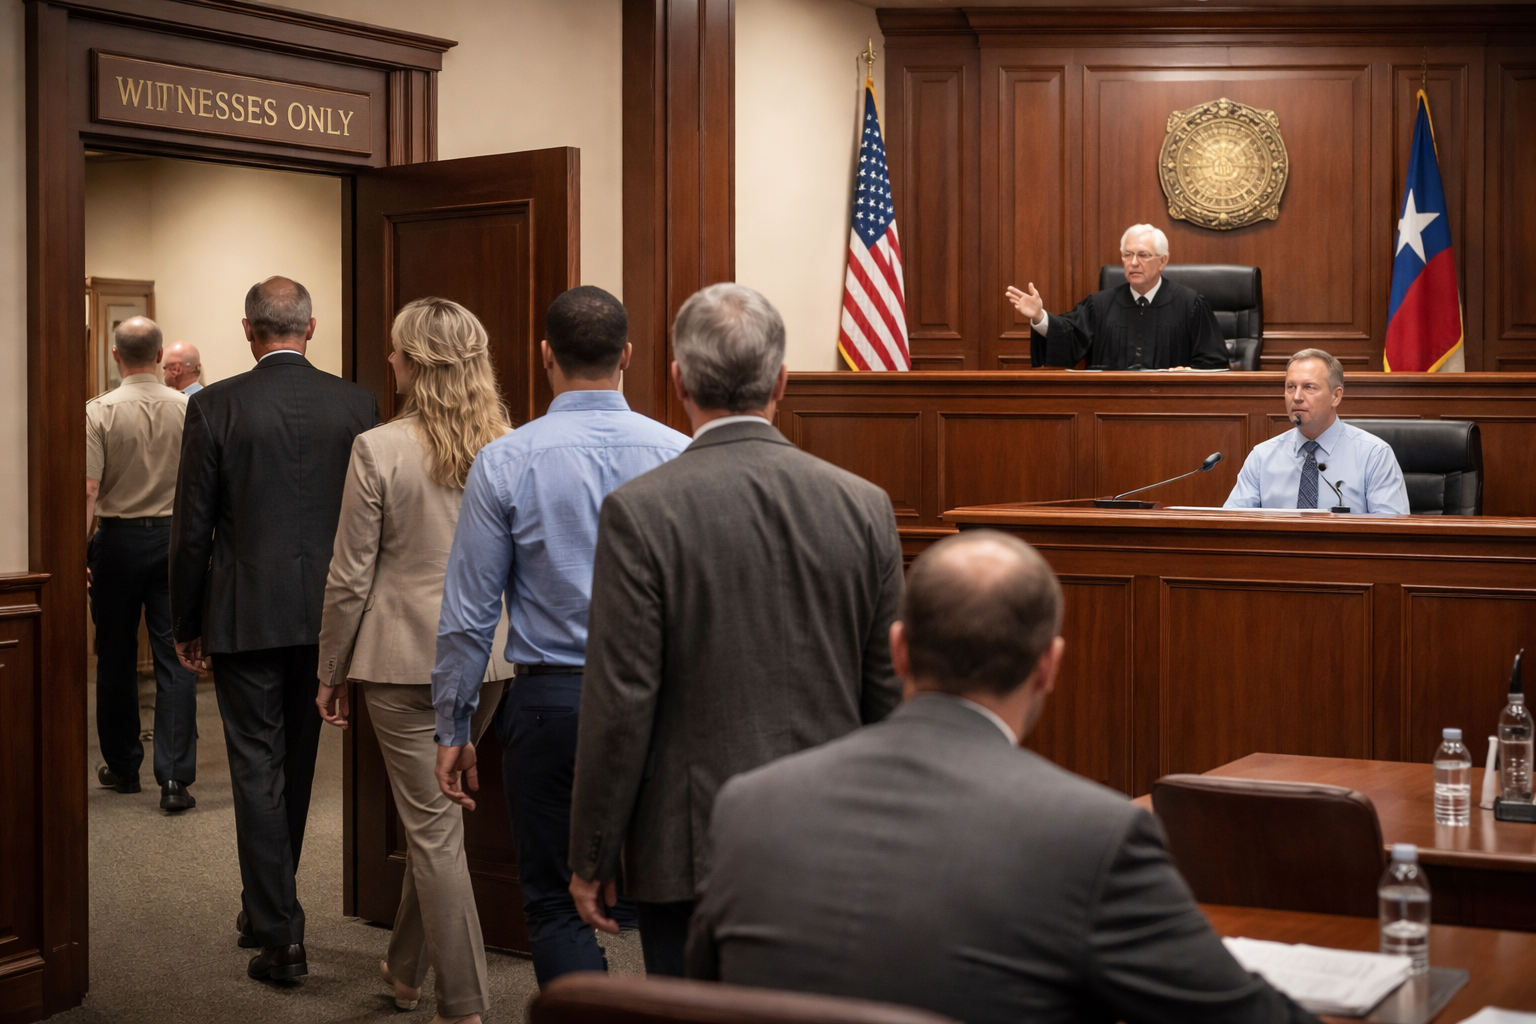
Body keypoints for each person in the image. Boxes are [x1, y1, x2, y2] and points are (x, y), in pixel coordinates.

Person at [686, 530, 1321, 1024]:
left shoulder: (749, 804)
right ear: (1049, 666)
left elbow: (706, 995)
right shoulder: (1094, 836)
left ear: (899, 650)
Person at [567, 282, 905, 976]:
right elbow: (890, 695)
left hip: (692, 850)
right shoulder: (865, 506)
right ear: (782, 382)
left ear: (677, 379)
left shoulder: (640, 511)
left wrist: (594, 853)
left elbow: (621, 703)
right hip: (834, 838)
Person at [432, 286, 689, 986]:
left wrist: (453, 723)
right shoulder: (683, 454)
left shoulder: (506, 460)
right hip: (663, 706)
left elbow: (469, 611)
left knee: (553, 904)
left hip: (552, 705)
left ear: (545, 356)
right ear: (629, 356)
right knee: (670, 900)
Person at [170, 276, 378, 982]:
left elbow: (192, 529)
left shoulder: (215, 405)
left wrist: (184, 620)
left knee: (257, 766)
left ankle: (279, 929)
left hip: (243, 614)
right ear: (310, 329)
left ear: (248, 329)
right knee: (293, 763)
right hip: (328, 619)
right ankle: (268, 907)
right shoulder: (356, 404)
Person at [316, 297, 515, 1023]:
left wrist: (329, 669)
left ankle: (463, 1005)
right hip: (490, 657)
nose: (389, 361)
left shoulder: (378, 448)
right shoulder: (506, 444)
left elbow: (349, 575)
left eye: (397, 351)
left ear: (414, 365)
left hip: (403, 660)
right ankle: (404, 969)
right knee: (435, 823)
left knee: (432, 833)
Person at [86, 315, 199, 812]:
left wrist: (74, 556)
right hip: (176, 542)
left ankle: (124, 767)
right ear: (159, 358)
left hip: (116, 542)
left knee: (114, 657)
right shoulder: (190, 408)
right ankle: (174, 780)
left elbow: (89, 491)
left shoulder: (98, 412)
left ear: (115, 356)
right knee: (177, 656)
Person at [1007, 223, 1228, 369]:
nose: (1133, 262)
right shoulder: (1100, 305)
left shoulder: (1190, 305)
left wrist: (1189, 373)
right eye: (1127, 255)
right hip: (1107, 413)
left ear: (1163, 261)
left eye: (1143, 255)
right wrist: (1040, 317)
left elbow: (1214, 363)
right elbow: (1069, 338)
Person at [1225, 348, 1409, 514]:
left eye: (1308, 387)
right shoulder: (1262, 457)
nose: (1296, 397)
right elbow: (1232, 525)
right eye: (1291, 387)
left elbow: (1393, 535)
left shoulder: (1374, 455)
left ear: (1336, 396)